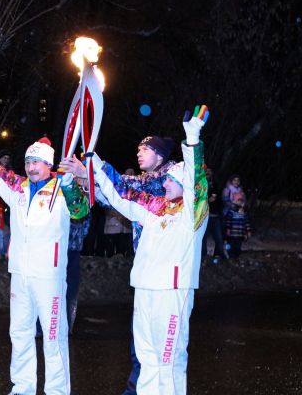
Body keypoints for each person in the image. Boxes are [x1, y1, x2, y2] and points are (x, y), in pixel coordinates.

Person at [0, 118, 88, 395]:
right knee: (19, 333)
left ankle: (57, 390)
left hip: (49, 276)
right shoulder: (17, 188)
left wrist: (69, 184)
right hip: (20, 273)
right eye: (28, 162)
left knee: (54, 337)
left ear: (48, 165)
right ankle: (23, 387)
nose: (31, 167)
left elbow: (81, 212)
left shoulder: (62, 188)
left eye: (37, 163)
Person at [90, 106, 209, 395]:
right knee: (147, 357)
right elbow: (122, 197)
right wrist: (96, 165)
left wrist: (192, 138)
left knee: (169, 359)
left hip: (172, 290)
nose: (164, 182)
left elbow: (197, 182)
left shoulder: (193, 214)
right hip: (144, 288)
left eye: (171, 180)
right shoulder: (155, 209)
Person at [60, 134, 176, 395]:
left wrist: (92, 168)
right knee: (141, 341)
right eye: (138, 148)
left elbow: (126, 188)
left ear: (160, 155)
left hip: (167, 273)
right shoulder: (146, 181)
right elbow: (114, 196)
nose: (139, 153)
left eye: (145, 149)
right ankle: (136, 389)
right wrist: (86, 177)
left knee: (165, 347)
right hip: (145, 270)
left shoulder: (169, 178)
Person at [202, 167, 227, 261]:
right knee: (203, 236)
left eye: (210, 171)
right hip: (206, 216)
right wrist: (208, 200)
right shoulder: (201, 185)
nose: (209, 173)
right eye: (207, 171)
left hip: (216, 215)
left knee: (219, 236)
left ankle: (219, 255)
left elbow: (220, 200)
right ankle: (202, 255)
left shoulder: (216, 185)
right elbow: (198, 202)